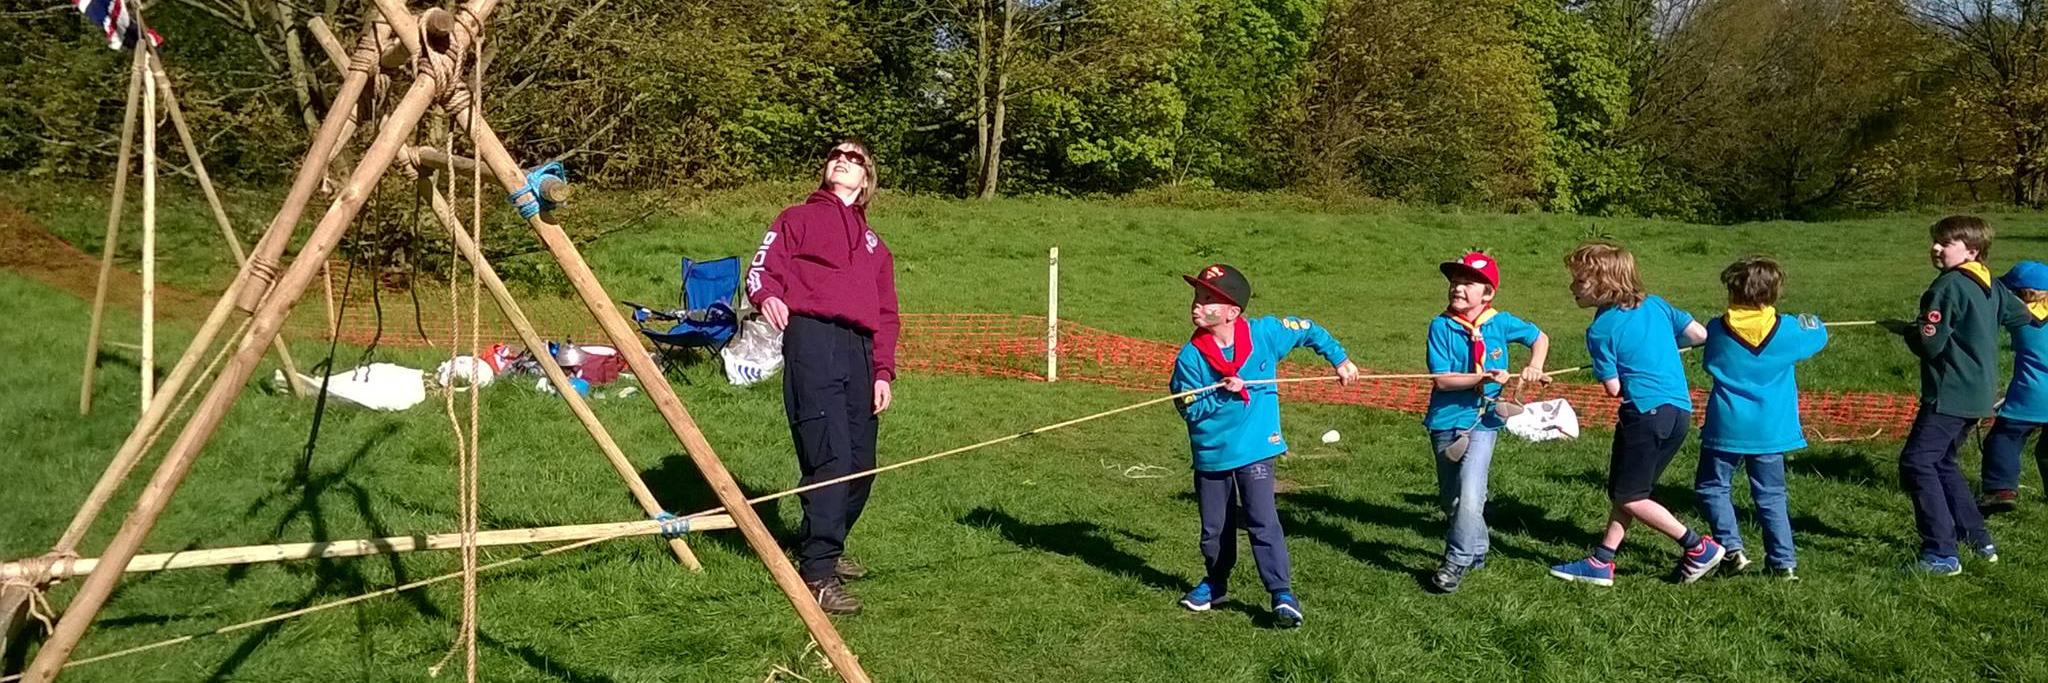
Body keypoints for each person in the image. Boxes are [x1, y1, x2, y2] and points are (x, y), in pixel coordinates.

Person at [745, 140, 899, 614]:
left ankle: (823, 541)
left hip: (859, 350)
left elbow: (888, 313)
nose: (843, 161)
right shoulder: (797, 218)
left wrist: (883, 372)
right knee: (829, 455)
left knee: (862, 464)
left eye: (854, 160)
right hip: (812, 338)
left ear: (866, 180)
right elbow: (761, 269)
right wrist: (766, 295)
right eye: (836, 155)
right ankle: (816, 572)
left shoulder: (876, 246)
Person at [1170, 263, 1358, 628]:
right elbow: (1189, 409)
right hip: (1211, 454)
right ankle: (1215, 583)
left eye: (1208, 299)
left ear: (1232, 312)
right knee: (1214, 527)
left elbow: (1309, 330)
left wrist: (1340, 359)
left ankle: (1281, 593)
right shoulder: (1190, 358)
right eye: (1197, 296)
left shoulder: (1266, 334)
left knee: (1262, 519)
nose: (1197, 305)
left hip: (1257, 447)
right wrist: (1224, 395)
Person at [1547, 241, 1722, 588]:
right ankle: (1602, 560)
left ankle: (1697, 546)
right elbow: (1700, 335)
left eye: (1579, 281)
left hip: (1644, 414)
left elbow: (1613, 388)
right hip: (1679, 413)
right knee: (1632, 491)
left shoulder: (1599, 330)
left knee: (1629, 495)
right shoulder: (1656, 305)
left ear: (1604, 282)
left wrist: (1619, 369)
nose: (1572, 287)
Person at [1890, 216, 2022, 575]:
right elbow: (2021, 316)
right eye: (1935, 241)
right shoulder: (1991, 283)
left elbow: (1930, 345)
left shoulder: (1946, 287)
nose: (1935, 248)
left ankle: (1940, 553)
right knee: (1942, 461)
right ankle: (1977, 538)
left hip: (1949, 394)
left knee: (1917, 463)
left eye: (1945, 243)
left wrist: (1910, 331)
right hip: (1979, 393)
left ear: (1972, 250)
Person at [1421, 252, 1549, 593]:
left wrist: (1535, 364)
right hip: (1446, 420)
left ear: (1488, 293)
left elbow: (1540, 337)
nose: (1457, 288)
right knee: (1451, 499)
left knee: (1471, 492)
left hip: (1485, 419)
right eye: (1454, 282)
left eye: (1467, 283)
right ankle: (1477, 548)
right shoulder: (1441, 326)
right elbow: (1443, 380)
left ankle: (1456, 561)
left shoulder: (1501, 322)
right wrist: (1481, 378)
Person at [1696, 256, 1827, 581]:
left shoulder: (1717, 329)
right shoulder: (1790, 331)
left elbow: (1708, 358)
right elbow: (1819, 333)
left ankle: (1731, 548)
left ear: (1732, 291)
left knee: (1712, 486)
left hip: (1725, 425)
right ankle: (1783, 562)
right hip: (1772, 429)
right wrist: (1809, 320)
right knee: (1771, 495)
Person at [1978, 260, 2048, 514]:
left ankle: (2000, 491)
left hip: (2032, 395)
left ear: (2024, 294)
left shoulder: (2021, 317)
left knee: (2003, 439)